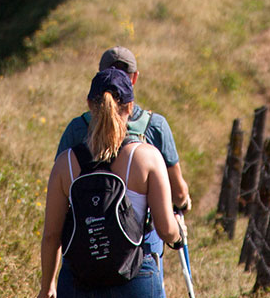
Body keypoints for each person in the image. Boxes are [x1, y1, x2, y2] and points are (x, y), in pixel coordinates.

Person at [38, 67, 185, 298]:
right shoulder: (147, 158)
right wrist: (179, 234)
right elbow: (164, 228)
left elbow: (52, 235)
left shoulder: (65, 164)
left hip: (78, 285)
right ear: (130, 107)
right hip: (134, 281)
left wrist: (47, 285)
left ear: (89, 106)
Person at [56, 47, 191, 215]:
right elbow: (178, 192)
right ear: (134, 78)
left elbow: (59, 188)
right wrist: (183, 203)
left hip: (87, 234)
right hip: (140, 236)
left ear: (99, 78)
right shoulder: (155, 125)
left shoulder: (77, 128)